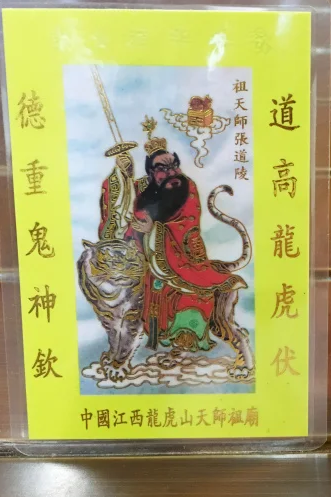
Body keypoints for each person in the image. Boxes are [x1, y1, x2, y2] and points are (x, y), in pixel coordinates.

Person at [98, 118, 251, 364]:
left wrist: (154, 230)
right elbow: (122, 209)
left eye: (174, 165)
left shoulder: (186, 187)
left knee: (189, 294)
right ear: (151, 171)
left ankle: (186, 341)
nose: (170, 172)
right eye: (162, 168)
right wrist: (122, 175)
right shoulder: (142, 187)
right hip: (147, 260)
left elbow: (186, 223)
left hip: (184, 255)